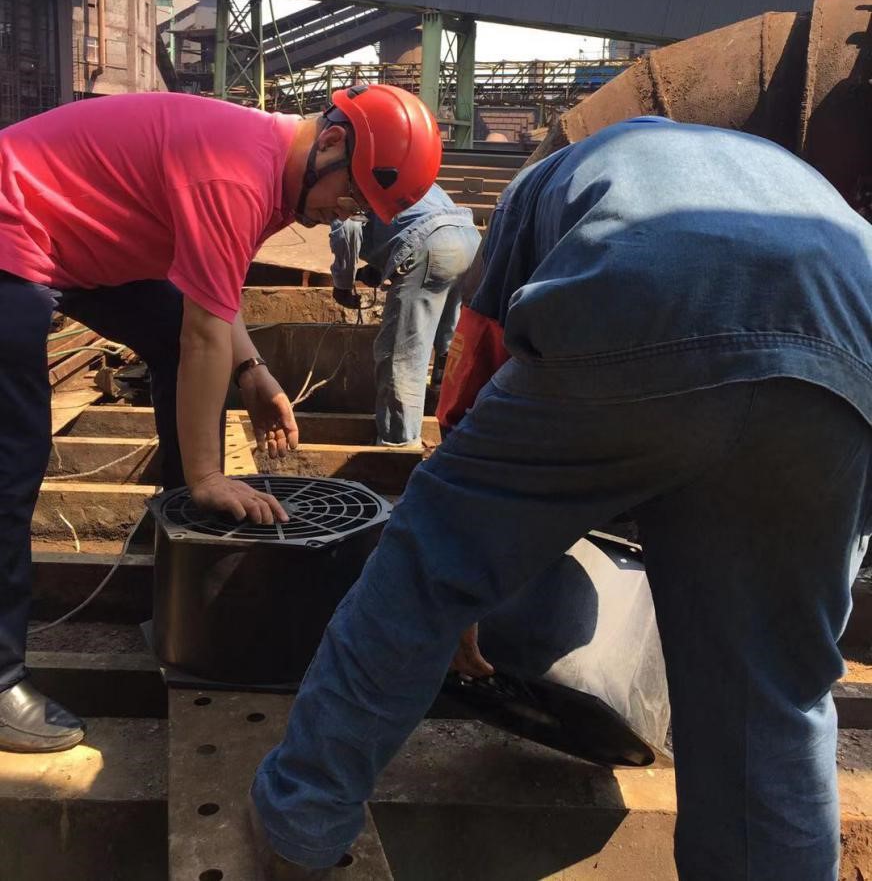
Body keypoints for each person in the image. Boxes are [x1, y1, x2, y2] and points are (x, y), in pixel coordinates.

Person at [250, 117, 872, 881]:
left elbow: (477, 374)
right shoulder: (787, 177)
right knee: (773, 691)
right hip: (846, 360)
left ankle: (302, 822)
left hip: (641, 304)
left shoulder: (548, 179)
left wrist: (465, 568)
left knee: (419, 567)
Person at [0, 83, 440, 754]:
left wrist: (253, 371)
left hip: (75, 240)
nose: (341, 215)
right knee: (12, 457)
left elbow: (213, 290)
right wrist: (209, 474)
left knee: (171, 330)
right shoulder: (238, 172)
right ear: (330, 142)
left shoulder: (275, 180)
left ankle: (187, 563)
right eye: (349, 197)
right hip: (14, 225)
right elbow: (205, 331)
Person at [329, 183, 480, 447]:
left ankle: (399, 445)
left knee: (400, 357)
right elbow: (403, 225)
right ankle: (451, 429)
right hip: (468, 240)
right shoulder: (399, 174)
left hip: (432, 244)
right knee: (450, 346)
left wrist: (342, 284)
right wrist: (378, 270)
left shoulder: (344, 183)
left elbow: (348, 229)